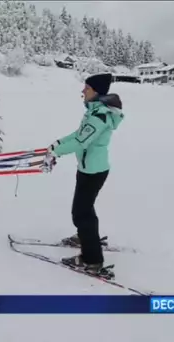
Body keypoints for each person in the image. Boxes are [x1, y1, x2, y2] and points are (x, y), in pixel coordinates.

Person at [41, 73, 124, 274]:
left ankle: (92, 259)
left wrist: (55, 153)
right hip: (88, 169)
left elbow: (80, 142)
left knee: (81, 213)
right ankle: (85, 237)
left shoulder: (98, 117)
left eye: (86, 88)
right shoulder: (94, 112)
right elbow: (78, 135)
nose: (82, 91)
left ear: (95, 92)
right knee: (84, 209)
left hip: (93, 171)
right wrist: (57, 145)